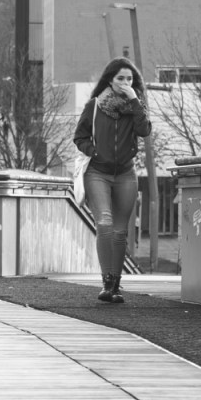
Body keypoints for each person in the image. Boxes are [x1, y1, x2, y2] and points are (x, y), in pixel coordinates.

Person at [74, 57, 152, 304]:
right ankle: (106, 282)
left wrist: (135, 101)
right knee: (105, 223)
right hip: (98, 172)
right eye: (120, 78)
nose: (125, 82)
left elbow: (144, 131)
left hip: (126, 175)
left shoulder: (135, 107)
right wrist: (95, 152)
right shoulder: (94, 106)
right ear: (110, 79)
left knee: (120, 231)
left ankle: (116, 285)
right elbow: (80, 137)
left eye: (129, 79)